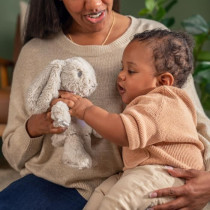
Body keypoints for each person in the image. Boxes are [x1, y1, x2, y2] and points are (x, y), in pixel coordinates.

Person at [0, 0, 209, 209]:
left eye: (131, 71)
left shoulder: (156, 42)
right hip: (56, 184)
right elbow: (13, 153)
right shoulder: (35, 53)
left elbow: (197, 125)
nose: (93, 4)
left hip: (139, 177)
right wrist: (35, 127)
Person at [56, 29, 206, 210]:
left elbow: (123, 132)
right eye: (122, 67)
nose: (121, 75)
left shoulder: (162, 101)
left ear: (163, 81)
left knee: (117, 202)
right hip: (140, 171)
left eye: (131, 70)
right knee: (101, 194)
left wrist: (86, 110)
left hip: (166, 174)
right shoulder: (151, 102)